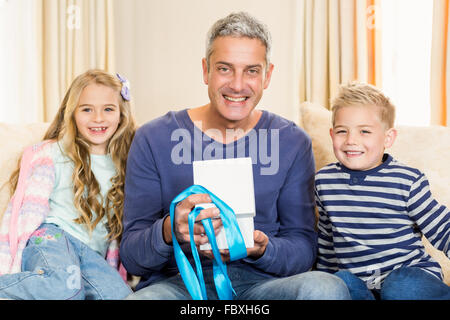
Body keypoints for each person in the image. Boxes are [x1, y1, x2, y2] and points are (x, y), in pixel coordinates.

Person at [121, 12, 350, 300]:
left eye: (252, 71)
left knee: (325, 288)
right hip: (179, 283)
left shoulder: (292, 142)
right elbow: (132, 257)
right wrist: (170, 230)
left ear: (267, 75)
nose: (238, 85)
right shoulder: (153, 138)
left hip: (262, 285)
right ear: (206, 71)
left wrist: (264, 249)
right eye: (225, 69)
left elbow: (303, 248)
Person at [0, 69, 136, 299]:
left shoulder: (126, 161)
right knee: (63, 288)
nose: (98, 118)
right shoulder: (53, 153)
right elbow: (24, 214)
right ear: (72, 112)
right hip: (52, 238)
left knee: (120, 296)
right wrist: (9, 260)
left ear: (121, 114)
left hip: (91, 254)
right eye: (87, 109)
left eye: (108, 109)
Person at [315, 82, 450, 300]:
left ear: (388, 138)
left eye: (364, 131)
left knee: (400, 285)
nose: (351, 141)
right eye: (342, 131)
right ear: (332, 134)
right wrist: (323, 281)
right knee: (340, 281)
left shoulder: (407, 180)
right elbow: (327, 240)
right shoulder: (324, 181)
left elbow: (443, 228)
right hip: (361, 286)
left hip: (410, 279)